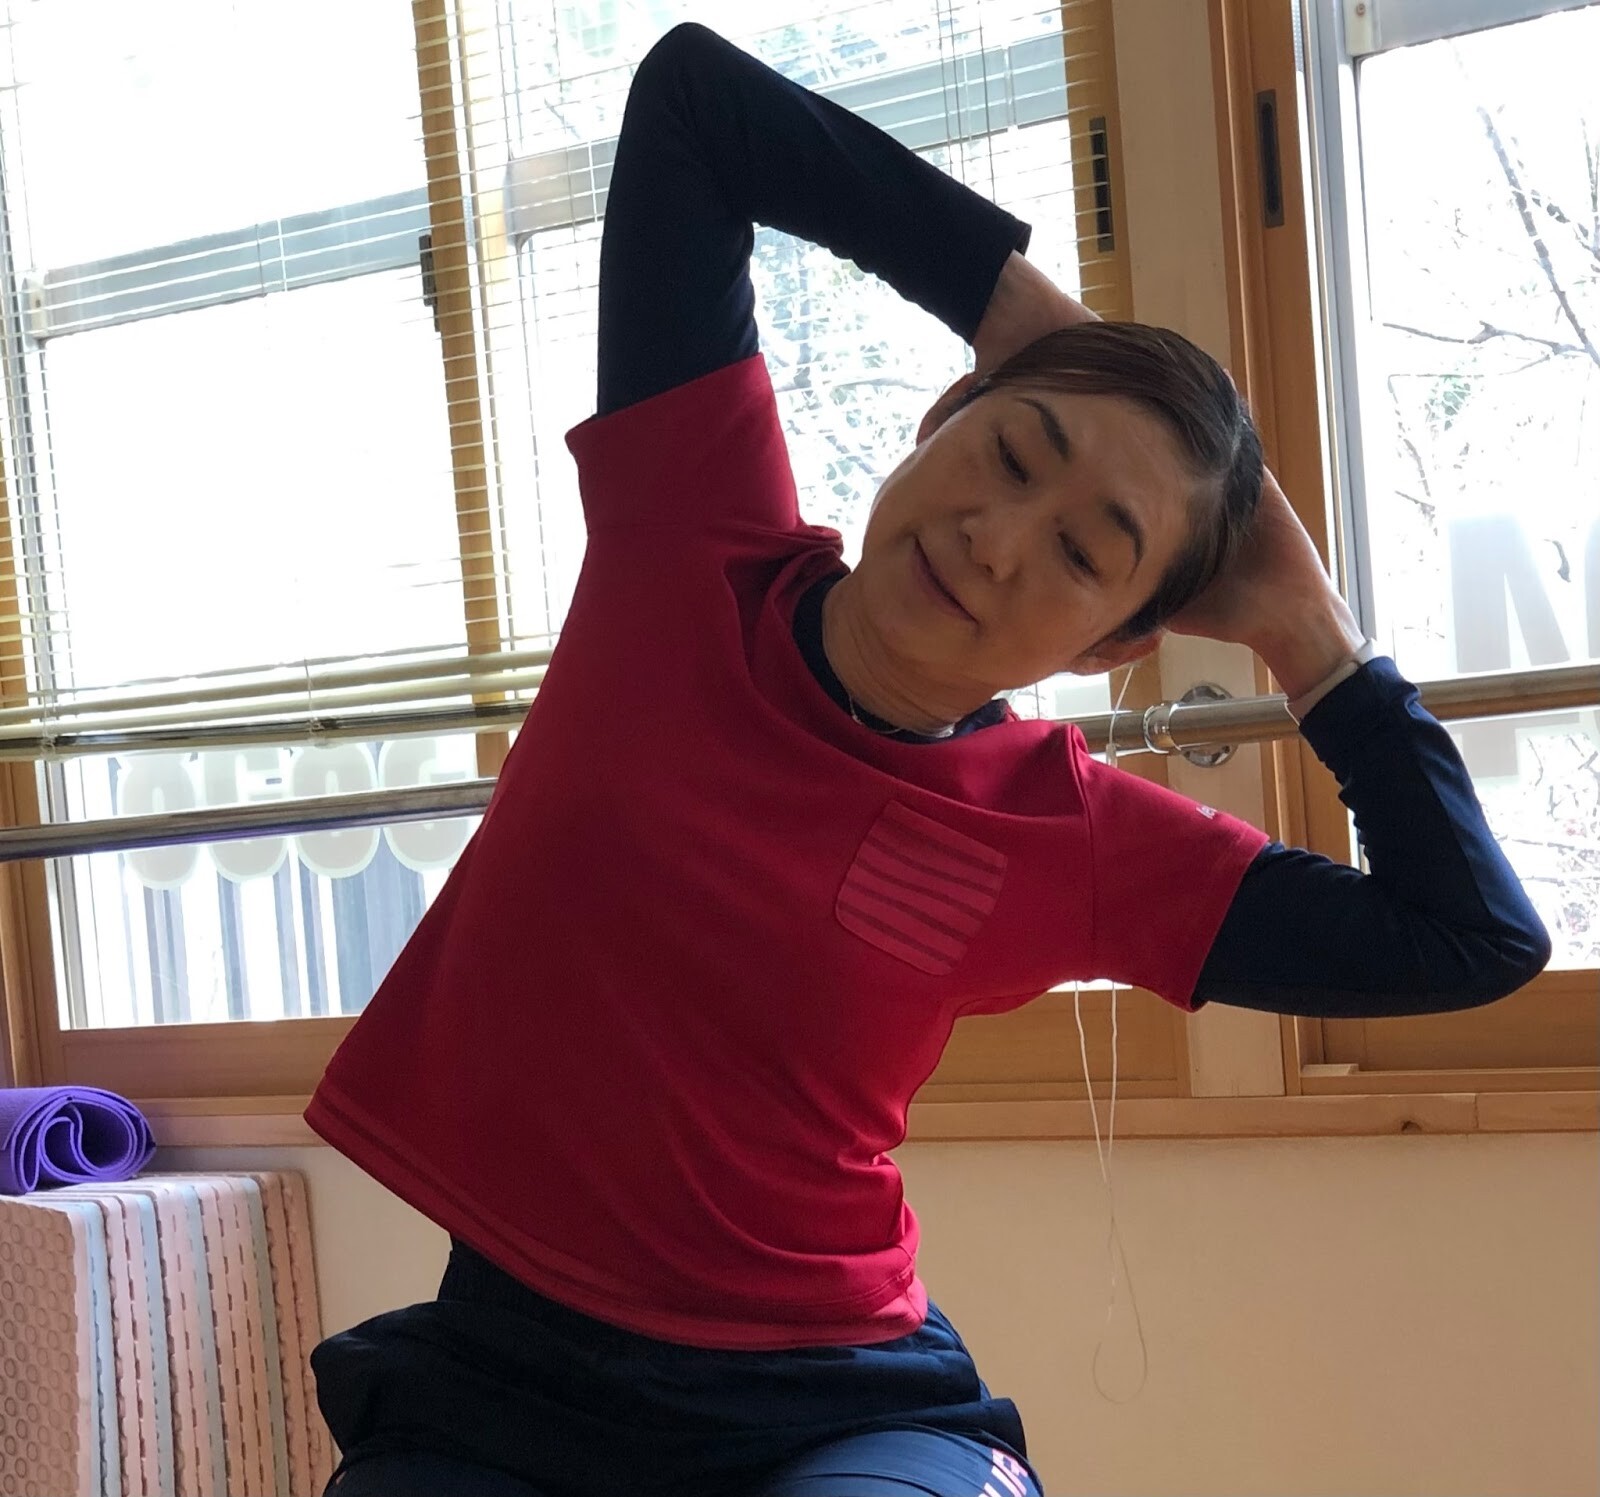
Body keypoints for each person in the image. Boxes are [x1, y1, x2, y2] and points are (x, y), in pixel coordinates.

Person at [303, 24, 1550, 1497]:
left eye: (1086, 553)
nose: (999, 541)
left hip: (836, 1408)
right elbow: (694, 104)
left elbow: (1468, 936)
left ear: (1111, 643)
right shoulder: (689, 536)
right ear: (946, 412)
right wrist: (1017, 309)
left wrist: (1310, 637)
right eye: (1013, 455)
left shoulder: (1068, 835)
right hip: (501, 1386)